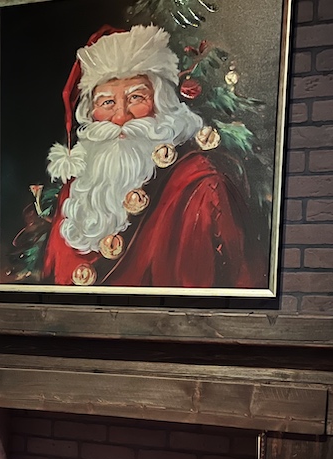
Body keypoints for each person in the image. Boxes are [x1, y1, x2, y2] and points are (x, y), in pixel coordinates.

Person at [16, 24, 260, 290]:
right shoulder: (76, 191)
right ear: (91, 112)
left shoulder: (202, 186)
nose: (121, 117)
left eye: (136, 97)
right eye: (107, 102)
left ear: (162, 104)